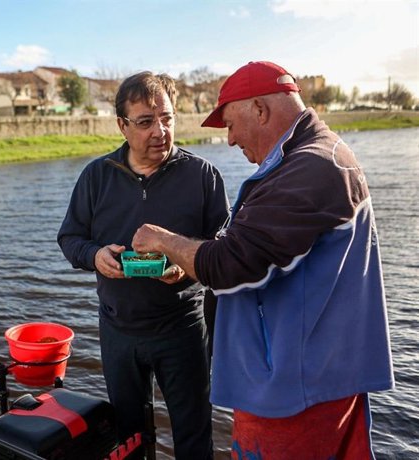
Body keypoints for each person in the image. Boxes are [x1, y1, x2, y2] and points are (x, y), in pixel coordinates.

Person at [132, 61, 395, 459]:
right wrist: (193, 261)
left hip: (296, 390)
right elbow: (254, 248)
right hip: (306, 378)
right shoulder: (308, 157)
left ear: (260, 109)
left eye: (232, 124)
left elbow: (232, 262)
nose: (231, 140)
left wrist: (163, 240)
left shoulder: (312, 167)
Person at [57, 71, 229, 459]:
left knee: (193, 433)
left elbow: (223, 247)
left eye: (167, 118)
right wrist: (95, 256)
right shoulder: (96, 176)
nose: (160, 132)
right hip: (118, 331)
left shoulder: (203, 175)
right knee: (129, 437)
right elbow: (70, 238)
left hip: (182, 329)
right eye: (146, 122)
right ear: (122, 125)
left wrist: (187, 265)